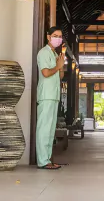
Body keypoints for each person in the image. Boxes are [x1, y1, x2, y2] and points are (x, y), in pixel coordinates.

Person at [36, 26, 65, 169]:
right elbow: (46, 73)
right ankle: (42, 161)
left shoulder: (55, 54)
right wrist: (58, 66)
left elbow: (61, 76)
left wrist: (61, 66)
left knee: (50, 129)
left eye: (60, 36)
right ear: (48, 37)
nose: (58, 38)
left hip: (54, 95)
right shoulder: (43, 53)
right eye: (55, 35)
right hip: (46, 95)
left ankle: (47, 159)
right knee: (44, 128)